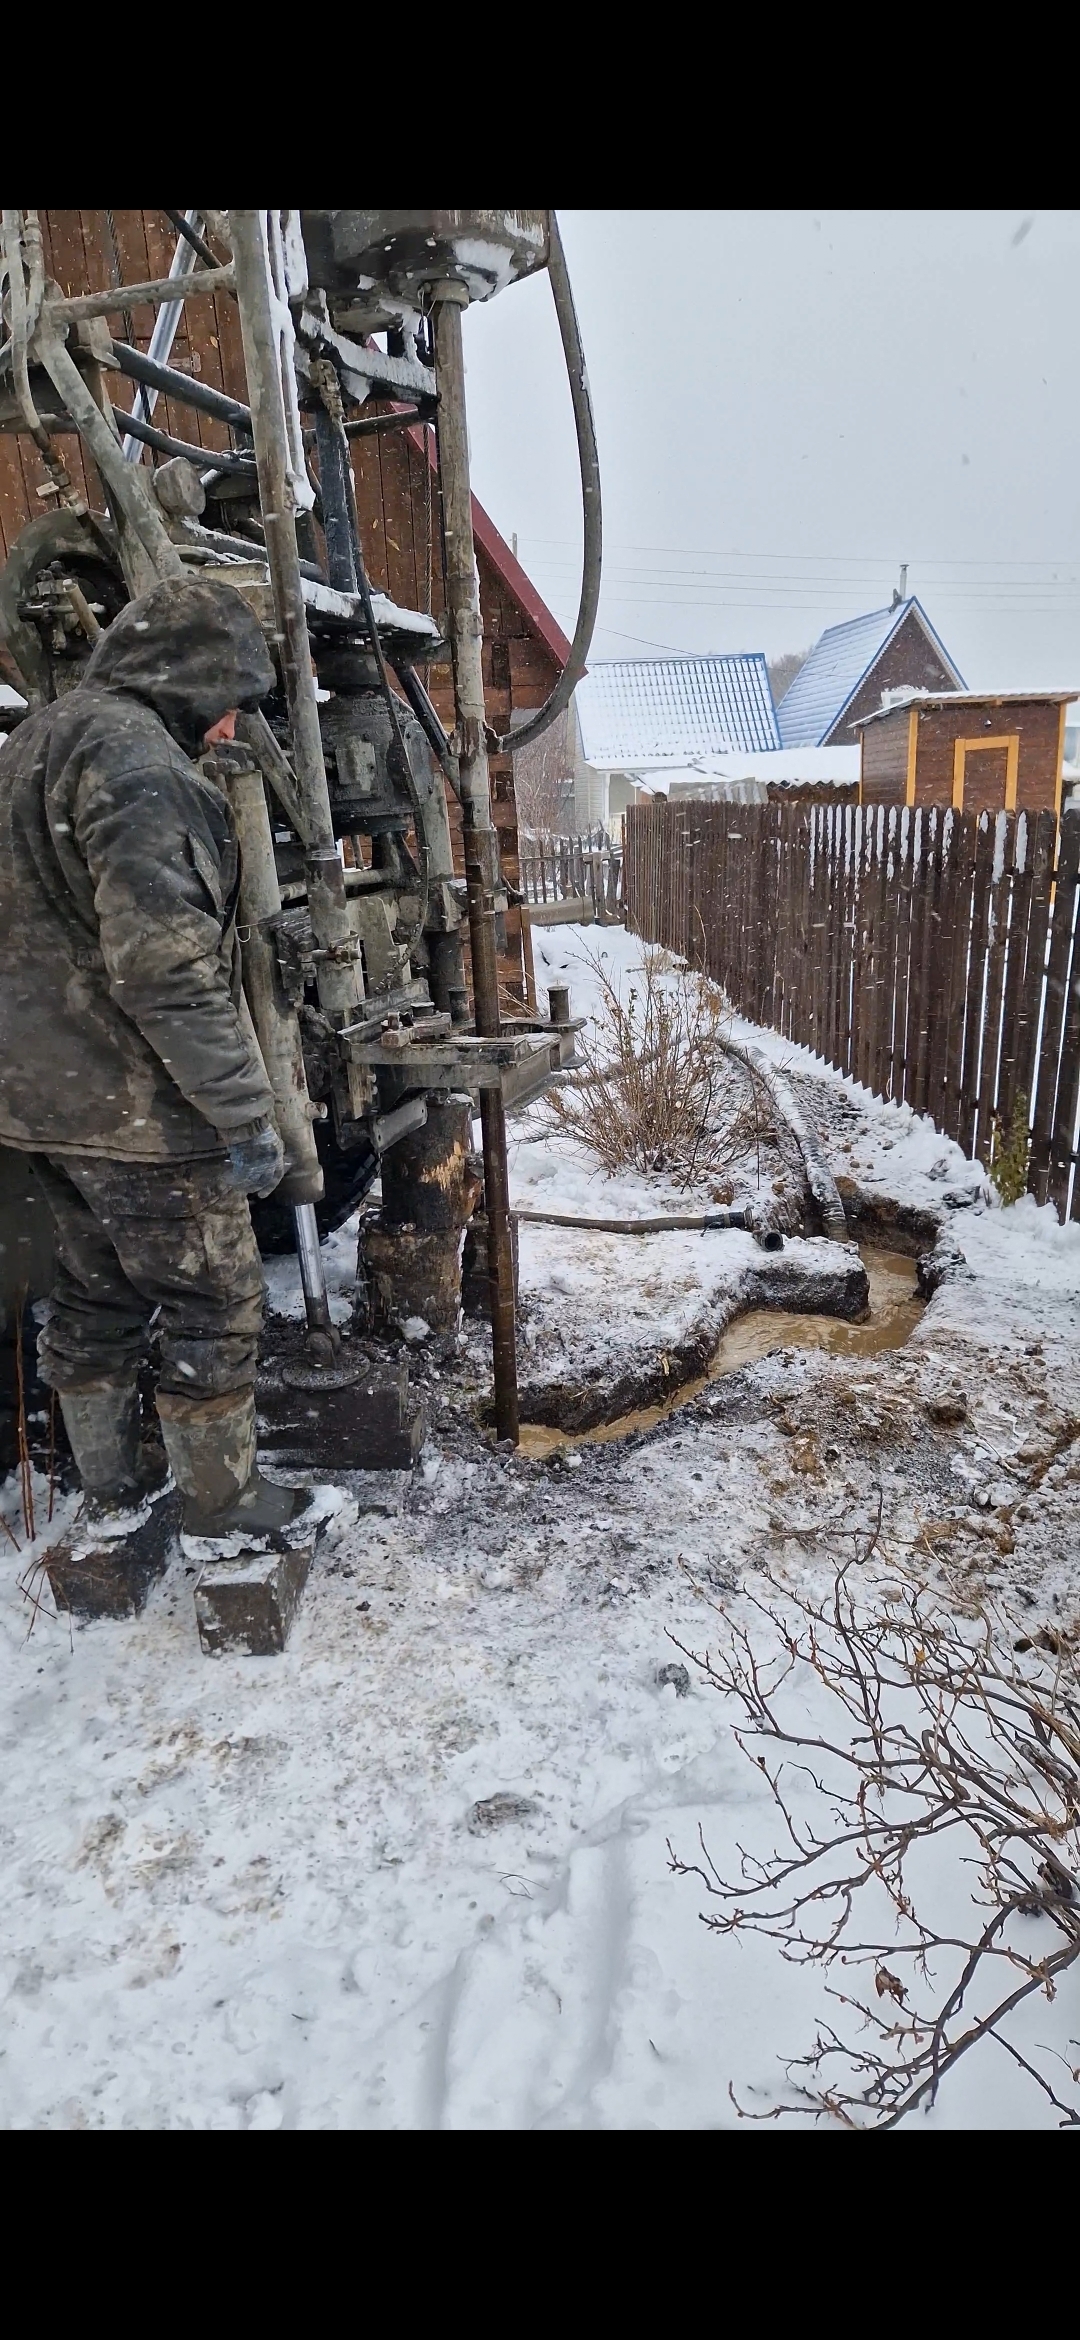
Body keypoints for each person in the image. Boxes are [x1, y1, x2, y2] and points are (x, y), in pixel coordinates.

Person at [0, 573, 313, 1552]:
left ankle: (108, 1492)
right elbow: (166, 975)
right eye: (225, 698)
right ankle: (221, 1507)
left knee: (93, 1295)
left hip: (31, 1100)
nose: (227, 725)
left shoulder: (30, 744)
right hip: (137, 1107)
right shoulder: (140, 770)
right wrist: (245, 1118)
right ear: (183, 675)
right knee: (213, 1295)